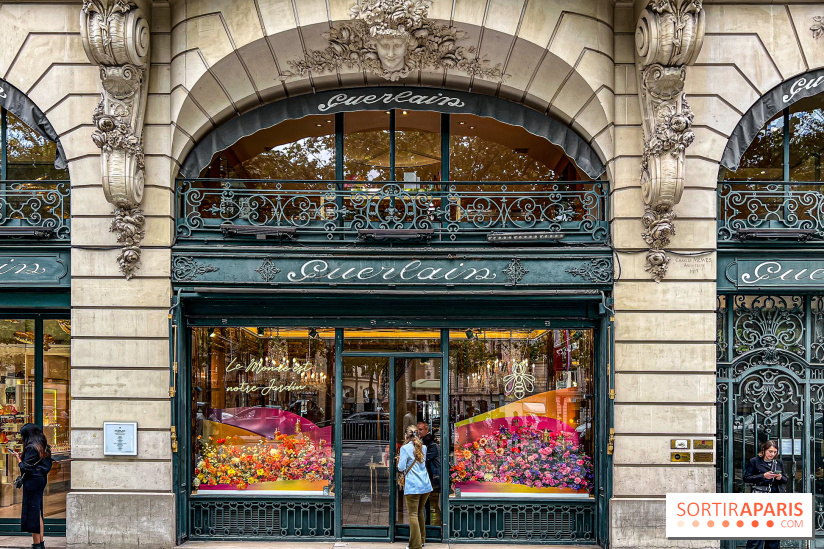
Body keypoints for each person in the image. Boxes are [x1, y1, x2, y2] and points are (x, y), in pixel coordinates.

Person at [10, 424, 53, 549]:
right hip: (40, 480)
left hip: (32, 482)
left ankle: (36, 544)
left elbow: (25, 468)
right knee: (37, 511)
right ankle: (40, 543)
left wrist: (18, 458)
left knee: (32, 512)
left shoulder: (31, 448)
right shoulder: (44, 447)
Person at [743, 440, 787, 549]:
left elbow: (785, 479)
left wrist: (780, 478)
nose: (772, 454)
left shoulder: (778, 463)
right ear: (764, 450)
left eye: (775, 452)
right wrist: (763, 476)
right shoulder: (754, 461)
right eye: (770, 451)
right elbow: (746, 478)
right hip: (760, 496)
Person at [397, 425, 431, 549]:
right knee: (420, 512)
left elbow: (401, 467)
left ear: (406, 436)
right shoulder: (424, 447)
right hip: (425, 485)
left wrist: (400, 461)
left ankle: (415, 545)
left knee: (412, 514)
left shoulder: (405, 448)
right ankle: (422, 540)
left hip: (413, 486)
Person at [417, 421, 441, 525]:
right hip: (428, 475)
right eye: (417, 429)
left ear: (427, 430)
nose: (418, 431)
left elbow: (422, 459)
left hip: (432, 476)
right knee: (425, 501)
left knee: (427, 501)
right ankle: (426, 522)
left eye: (420, 429)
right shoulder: (423, 442)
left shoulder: (430, 444)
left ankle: (427, 523)